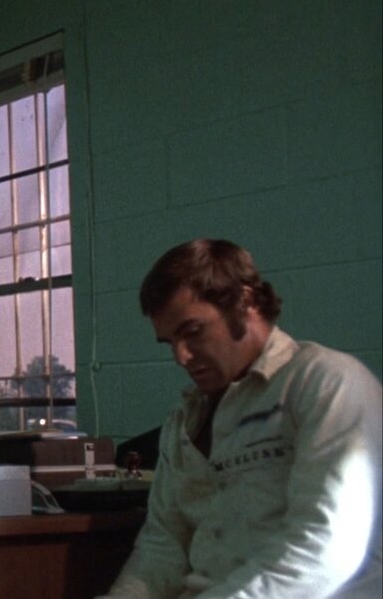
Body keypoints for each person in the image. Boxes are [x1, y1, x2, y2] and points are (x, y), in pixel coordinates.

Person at [102, 239, 381, 598]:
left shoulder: (324, 383)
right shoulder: (184, 420)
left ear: (244, 302)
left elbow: (325, 550)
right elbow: (162, 547)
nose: (181, 356)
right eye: (169, 342)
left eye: (192, 332)